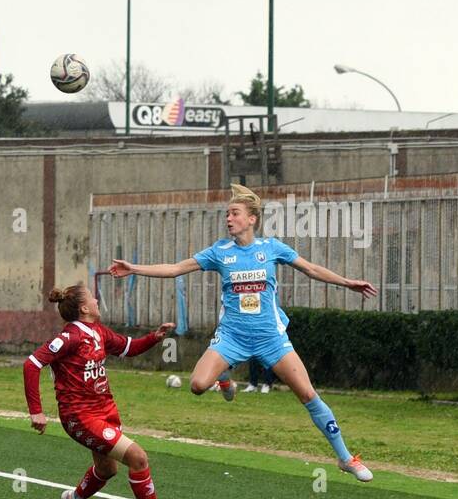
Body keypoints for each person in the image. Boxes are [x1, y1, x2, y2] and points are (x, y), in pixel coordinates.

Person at [108, 184, 376, 482]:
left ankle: (345, 457)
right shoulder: (219, 252)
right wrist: (134, 268)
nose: (228, 218)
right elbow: (174, 268)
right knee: (197, 385)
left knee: (308, 394)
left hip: (271, 338)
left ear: (252, 219)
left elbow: (311, 269)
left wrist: (348, 282)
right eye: (227, 214)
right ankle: (224, 376)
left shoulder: (271, 248)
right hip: (232, 338)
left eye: (234, 213)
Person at [24, 282, 188, 499]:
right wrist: (36, 412)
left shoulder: (98, 332)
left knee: (107, 468)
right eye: (92, 297)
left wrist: (155, 338)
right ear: (84, 308)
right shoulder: (70, 337)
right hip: (79, 416)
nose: (97, 300)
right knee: (138, 457)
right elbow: (31, 364)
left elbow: (128, 347)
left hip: (105, 410)